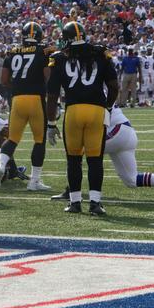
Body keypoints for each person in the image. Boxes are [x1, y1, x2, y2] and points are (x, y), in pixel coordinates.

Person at [46, 22, 118, 215]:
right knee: (95, 160)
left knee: (73, 159)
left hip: (73, 112)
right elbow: (114, 87)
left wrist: (51, 124)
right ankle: (95, 203)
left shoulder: (59, 58)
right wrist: (107, 107)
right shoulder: (100, 53)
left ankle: (75, 203)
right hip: (96, 110)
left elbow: (52, 96)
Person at [0, 22, 51, 191]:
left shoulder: (12, 52)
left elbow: (4, 80)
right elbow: (48, 77)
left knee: (12, 139)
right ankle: (34, 181)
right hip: (36, 100)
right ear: (39, 36)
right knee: (39, 140)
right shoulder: (42, 51)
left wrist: (19, 86)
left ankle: (0, 166)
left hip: (17, 100)